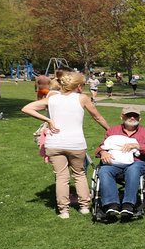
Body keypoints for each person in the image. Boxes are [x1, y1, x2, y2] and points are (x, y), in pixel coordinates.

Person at [21, 71, 109, 218]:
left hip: (54, 143)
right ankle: (84, 206)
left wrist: (48, 120)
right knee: (79, 175)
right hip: (75, 143)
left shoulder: (53, 98)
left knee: (61, 177)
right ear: (78, 86)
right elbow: (97, 117)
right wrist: (110, 130)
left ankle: (63, 211)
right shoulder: (82, 98)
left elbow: (26, 108)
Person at [94, 106, 145, 220]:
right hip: (114, 162)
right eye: (129, 115)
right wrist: (103, 152)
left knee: (133, 170)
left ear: (140, 118)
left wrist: (137, 146)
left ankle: (128, 205)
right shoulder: (112, 131)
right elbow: (101, 147)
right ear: (122, 117)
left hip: (136, 162)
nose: (132, 117)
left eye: (135, 115)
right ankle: (111, 204)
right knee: (104, 171)